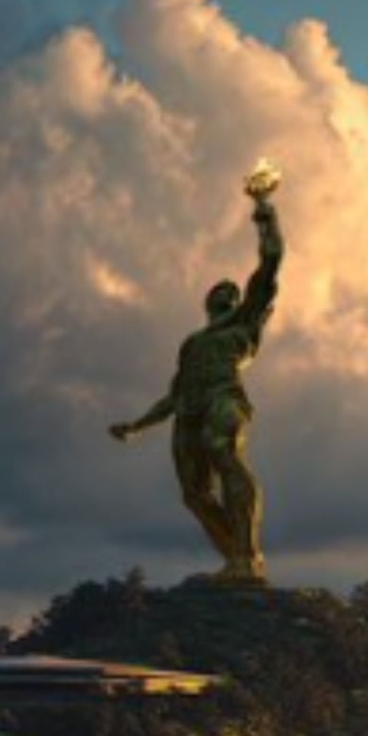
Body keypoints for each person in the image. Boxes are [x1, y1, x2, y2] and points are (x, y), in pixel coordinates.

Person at [109, 173, 284, 584]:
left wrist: (263, 211)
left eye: (232, 291)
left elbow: (271, 260)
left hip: (225, 397)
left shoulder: (245, 320)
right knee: (194, 493)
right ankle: (238, 559)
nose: (225, 293)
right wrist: (137, 426)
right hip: (188, 409)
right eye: (218, 290)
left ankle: (247, 556)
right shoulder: (191, 343)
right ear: (206, 302)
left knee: (223, 449)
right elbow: (173, 394)